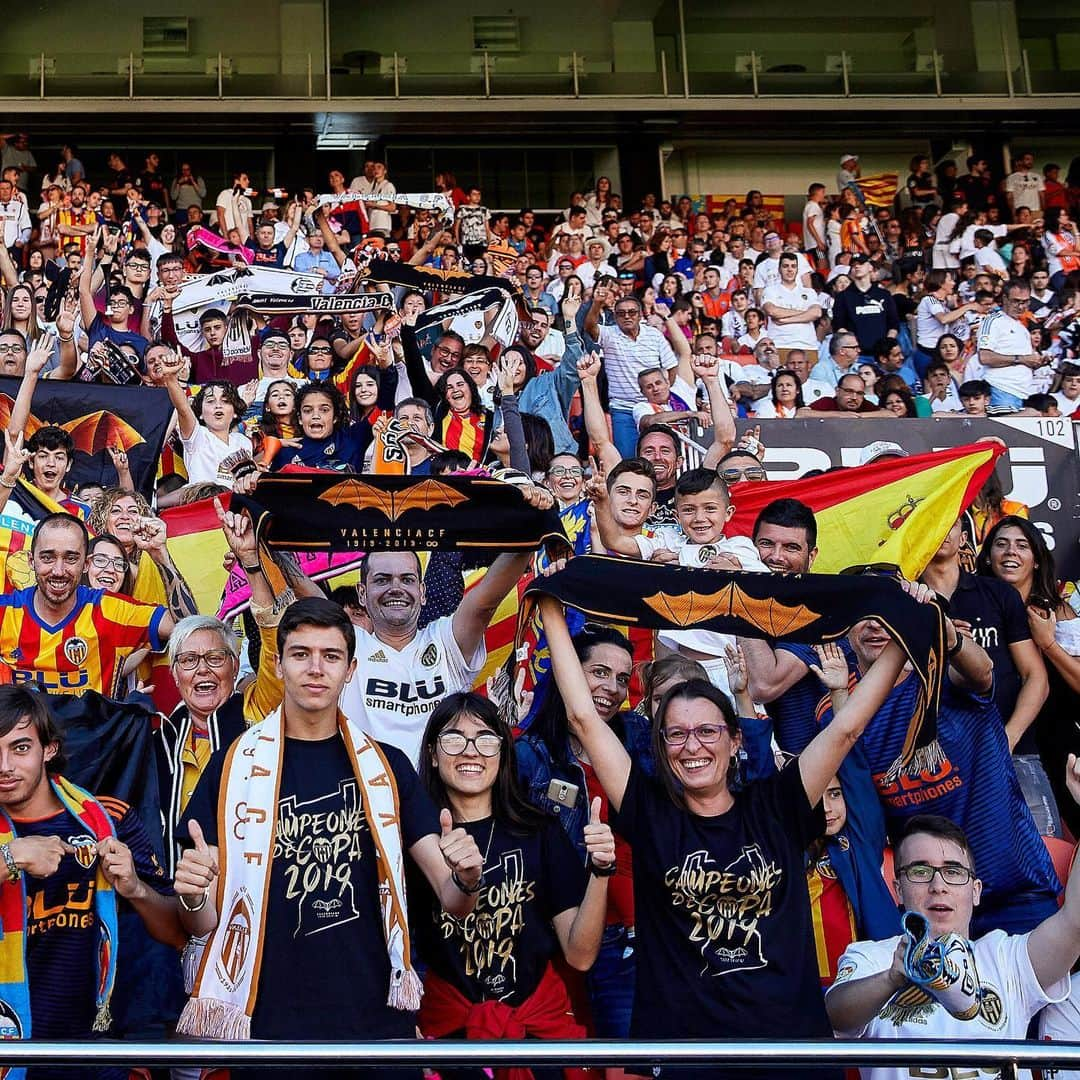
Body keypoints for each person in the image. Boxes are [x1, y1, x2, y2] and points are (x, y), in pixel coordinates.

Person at [538, 590, 909, 1080]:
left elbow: (846, 729)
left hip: (789, 1050)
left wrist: (907, 628)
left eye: (708, 732)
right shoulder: (650, 812)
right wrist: (548, 604)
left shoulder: (778, 803)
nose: (692, 746)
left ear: (735, 740)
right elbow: (584, 718)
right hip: (690, 1055)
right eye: (676, 733)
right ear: (661, 744)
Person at [175, 599, 484, 1080]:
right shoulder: (233, 766)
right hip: (269, 1025)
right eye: (300, 654)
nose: (315, 669)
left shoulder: (388, 768)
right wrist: (194, 896)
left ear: (351, 668)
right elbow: (203, 921)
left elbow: (453, 898)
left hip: (377, 1022)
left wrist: (467, 878)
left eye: (331, 656)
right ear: (278, 664)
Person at [0, 684, 184, 1080]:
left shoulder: (106, 820)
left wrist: (135, 888)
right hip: (7, 1054)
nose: (4, 767)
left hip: (92, 1050)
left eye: (19, 748)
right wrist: (9, 858)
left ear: (49, 749)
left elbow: (176, 934)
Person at [415, 692, 613, 1054]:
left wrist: (601, 871)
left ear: (504, 752)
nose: (471, 751)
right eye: (454, 738)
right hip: (443, 1039)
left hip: (534, 1034)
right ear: (432, 752)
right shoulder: (415, 840)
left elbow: (580, 955)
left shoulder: (540, 832)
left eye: (486, 739)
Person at [826, 810, 1080, 1080]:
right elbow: (835, 1015)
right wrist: (892, 978)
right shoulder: (872, 957)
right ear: (898, 888)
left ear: (976, 890)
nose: (939, 885)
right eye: (920, 871)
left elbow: (1075, 923)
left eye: (953, 871)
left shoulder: (1006, 958)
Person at [339, 522, 550, 765]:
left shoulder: (444, 641)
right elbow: (310, 597)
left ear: (423, 591)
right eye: (382, 580)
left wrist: (530, 522)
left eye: (407, 580)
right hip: (368, 799)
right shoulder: (346, 645)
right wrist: (284, 558)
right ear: (362, 593)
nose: (396, 588)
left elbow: (485, 603)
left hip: (439, 800)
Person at [0, 514, 174, 696]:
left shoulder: (110, 610)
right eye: (47, 558)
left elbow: (185, 626)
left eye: (71, 559)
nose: (58, 571)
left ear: (85, 564)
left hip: (94, 724)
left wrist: (162, 556)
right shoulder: (5, 612)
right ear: (31, 561)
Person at [584, 287, 678, 459]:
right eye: (621, 313)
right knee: (629, 458)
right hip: (623, 409)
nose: (627, 316)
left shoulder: (654, 335)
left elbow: (672, 366)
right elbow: (589, 326)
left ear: (640, 314)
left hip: (654, 409)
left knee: (661, 457)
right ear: (615, 316)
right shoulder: (609, 335)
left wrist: (663, 395)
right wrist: (597, 303)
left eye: (632, 312)